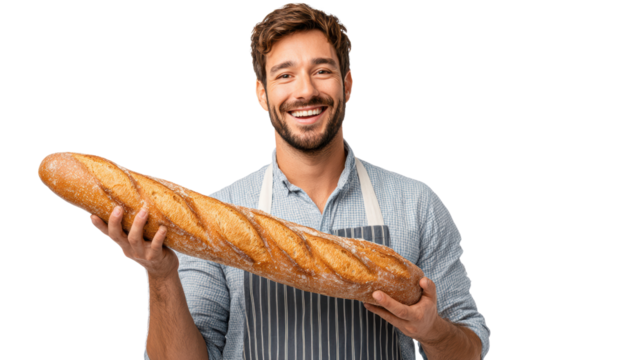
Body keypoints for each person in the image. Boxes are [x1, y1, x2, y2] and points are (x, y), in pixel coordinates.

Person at [90, 2, 490, 359]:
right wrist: (160, 275)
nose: (306, 91)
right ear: (261, 94)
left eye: (322, 70)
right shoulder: (216, 216)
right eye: (285, 75)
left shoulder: (416, 203)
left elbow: (471, 348)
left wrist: (432, 331)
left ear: (348, 84)